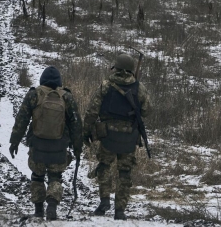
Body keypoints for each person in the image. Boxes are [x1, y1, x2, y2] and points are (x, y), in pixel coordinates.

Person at [83, 53, 151, 220]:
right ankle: (120, 209)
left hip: (108, 135)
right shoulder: (138, 87)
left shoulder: (106, 85)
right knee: (125, 172)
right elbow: (147, 110)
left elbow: (92, 110)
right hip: (129, 137)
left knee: (104, 166)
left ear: (116, 67)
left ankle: (104, 200)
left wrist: (86, 131)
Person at [9, 66, 83, 220]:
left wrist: (14, 141)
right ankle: (52, 206)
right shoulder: (66, 97)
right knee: (55, 177)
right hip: (59, 146)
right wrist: (77, 147)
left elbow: (21, 120)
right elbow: (76, 124)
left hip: (37, 146)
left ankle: (38, 210)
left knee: (37, 176)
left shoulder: (33, 95)